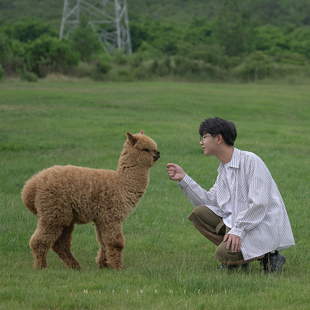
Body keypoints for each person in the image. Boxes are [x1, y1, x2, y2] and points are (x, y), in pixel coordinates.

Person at [167, 117, 295, 272]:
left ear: (218, 138)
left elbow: (259, 204)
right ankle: (239, 259)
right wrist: (184, 178)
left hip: (260, 225)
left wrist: (238, 230)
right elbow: (208, 202)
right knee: (198, 214)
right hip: (237, 225)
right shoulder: (224, 170)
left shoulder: (250, 161)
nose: (201, 142)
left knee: (222, 254)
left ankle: (268, 256)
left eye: (204, 137)